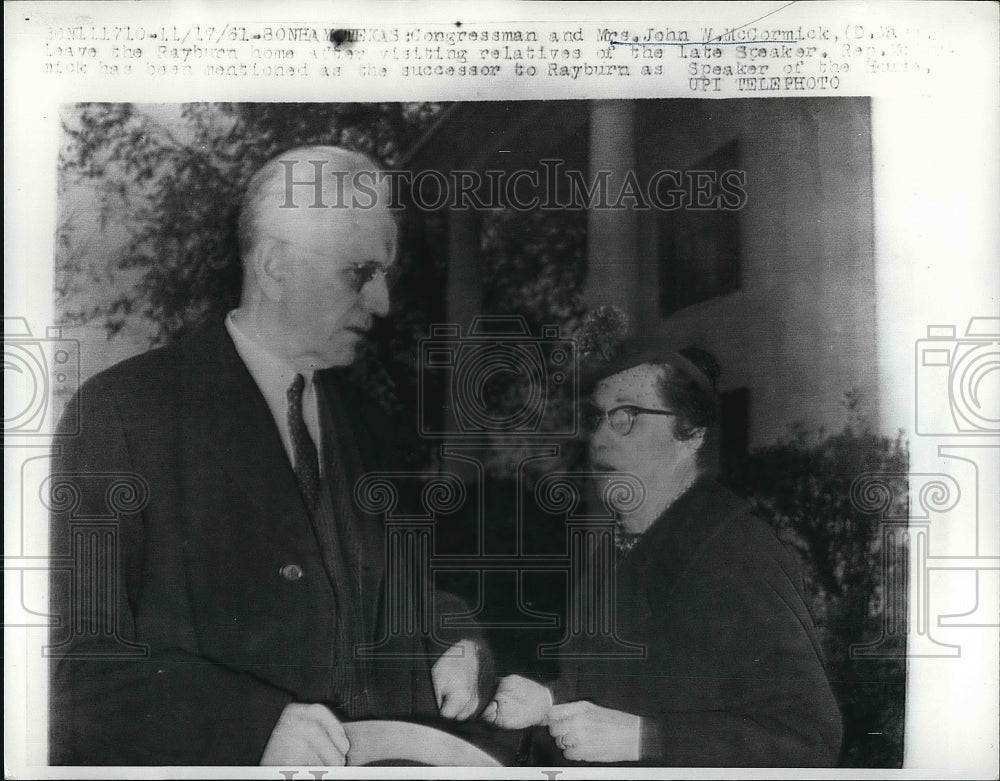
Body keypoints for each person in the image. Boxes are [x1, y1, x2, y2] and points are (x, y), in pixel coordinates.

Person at [48, 146, 486, 766]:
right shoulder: (122, 414)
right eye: (359, 273)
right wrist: (249, 727)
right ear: (276, 265)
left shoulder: (367, 426)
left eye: (385, 274)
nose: (383, 302)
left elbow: (406, 594)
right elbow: (69, 664)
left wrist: (456, 644)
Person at [482, 340, 843, 766]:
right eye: (597, 418)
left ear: (691, 434)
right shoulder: (609, 550)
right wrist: (547, 700)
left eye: (627, 416)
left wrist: (646, 739)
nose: (598, 438)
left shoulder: (737, 552)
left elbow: (809, 739)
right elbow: (636, 687)